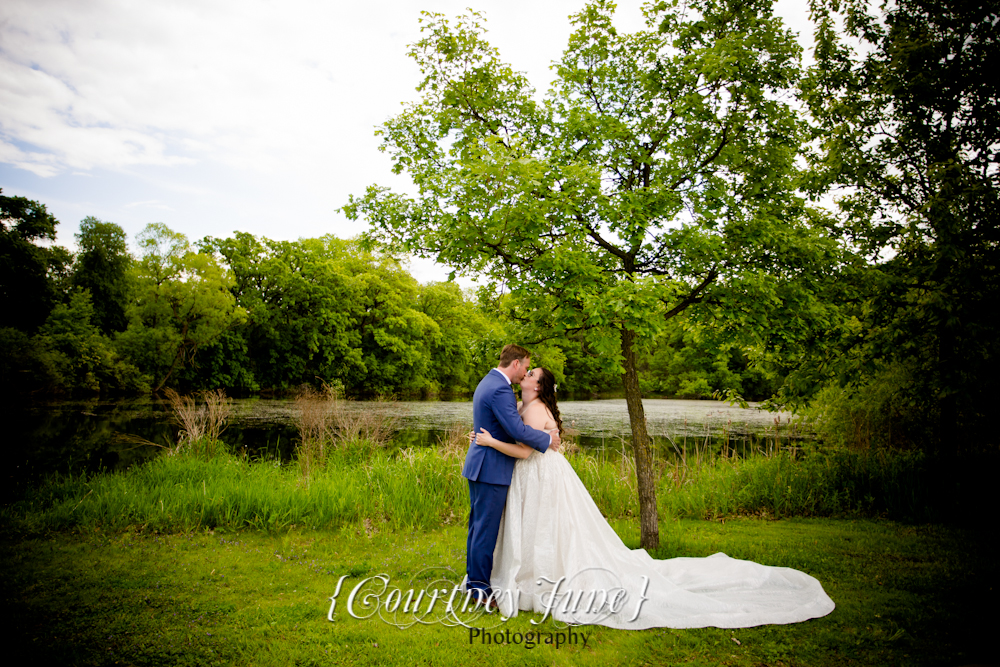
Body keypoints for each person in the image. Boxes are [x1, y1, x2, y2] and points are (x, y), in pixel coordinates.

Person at [474, 366, 835, 629]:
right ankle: (530, 575)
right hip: (538, 475)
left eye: (531, 374)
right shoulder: (526, 406)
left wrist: (490, 442)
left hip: (540, 475)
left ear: (539, 386)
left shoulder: (536, 409)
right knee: (544, 527)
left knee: (547, 527)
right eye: (527, 372)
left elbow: (525, 451)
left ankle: (540, 579)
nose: (525, 376)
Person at [462, 344, 561, 608]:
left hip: (482, 465)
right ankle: (480, 591)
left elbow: (496, 424)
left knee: (478, 529)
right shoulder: (501, 389)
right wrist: (546, 438)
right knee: (484, 532)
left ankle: (475, 584)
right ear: (516, 363)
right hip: (490, 469)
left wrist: (480, 435)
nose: (525, 372)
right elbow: (516, 429)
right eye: (526, 367)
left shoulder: (488, 381)